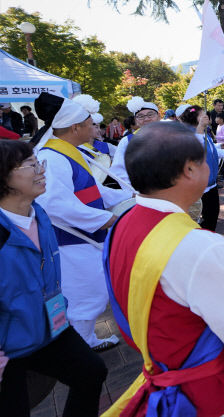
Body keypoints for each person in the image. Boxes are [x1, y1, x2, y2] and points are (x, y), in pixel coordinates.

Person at [103, 121, 224, 414]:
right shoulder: (198, 246)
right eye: (205, 160)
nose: (211, 167)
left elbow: (164, 289)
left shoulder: (121, 224)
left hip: (166, 364)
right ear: (189, 170)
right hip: (213, 393)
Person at [0, 139, 108, 415]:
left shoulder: (41, 216)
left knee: (91, 372)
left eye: (39, 163)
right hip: (7, 346)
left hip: (48, 328)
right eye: (30, 165)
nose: (41, 170)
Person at [32, 93, 132, 350]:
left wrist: (132, 196)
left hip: (84, 237)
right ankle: (80, 347)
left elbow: (93, 190)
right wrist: (106, 219)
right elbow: (54, 204)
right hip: (72, 241)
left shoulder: (69, 151)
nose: (94, 128)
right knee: (86, 295)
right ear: (75, 127)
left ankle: (85, 341)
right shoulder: (53, 158)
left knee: (93, 292)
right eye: (90, 124)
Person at [178, 105, 224, 231]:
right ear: (195, 119)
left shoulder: (204, 135)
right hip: (199, 189)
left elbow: (214, 153)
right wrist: (201, 127)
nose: (206, 117)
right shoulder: (189, 139)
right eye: (202, 115)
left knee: (212, 216)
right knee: (204, 220)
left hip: (211, 185)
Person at [110, 96, 161, 191]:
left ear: (159, 116)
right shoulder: (127, 141)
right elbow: (118, 169)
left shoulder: (173, 136)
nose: (146, 119)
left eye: (150, 115)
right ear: (136, 120)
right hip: (142, 192)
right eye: (140, 116)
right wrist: (134, 190)